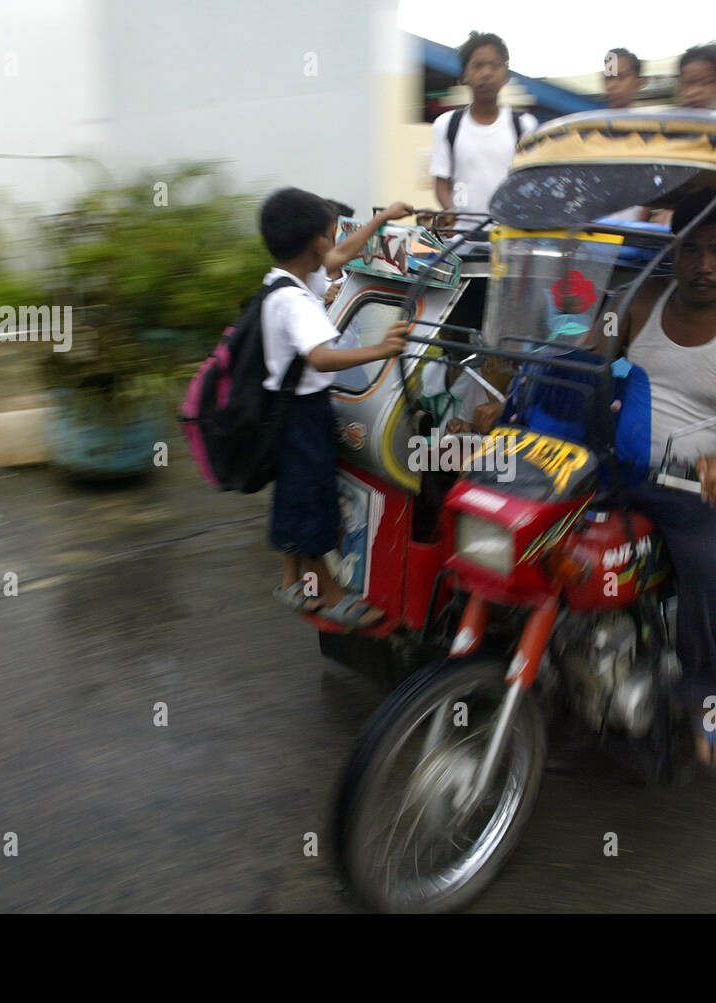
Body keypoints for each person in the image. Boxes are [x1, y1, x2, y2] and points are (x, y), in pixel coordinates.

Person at [602, 207, 716, 767]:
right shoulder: (639, 301)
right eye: (691, 249)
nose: (703, 265)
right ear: (673, 252)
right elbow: (584, 360)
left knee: (709, 577)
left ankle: (712, 697)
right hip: (617, 466)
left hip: (695, 485)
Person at [258, 188, 409, 628]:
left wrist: (382, 221)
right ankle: (329, 591)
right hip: (304, 412)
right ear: (317, 243)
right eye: (331, 233)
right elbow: (322, 357)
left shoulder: (286, 281)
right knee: (313, 499)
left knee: (293, 494)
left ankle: (292, 580)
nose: (336, 242)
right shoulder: (296, 300)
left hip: (285, 409)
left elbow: (343, 253)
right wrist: (381, 349)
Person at [429, 32, 537, 224]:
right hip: (460, 243)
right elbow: (441, 184)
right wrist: (451, 212)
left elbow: (531, 183)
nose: (486, 73)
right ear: (464, 75)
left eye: (495, 65)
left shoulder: (524, 125)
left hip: (508, 240)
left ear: (506, 74)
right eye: (478, 66)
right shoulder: (446, 125)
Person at [311, 199, 415, 307]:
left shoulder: (362, 274)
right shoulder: (309, 276)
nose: (355, 235)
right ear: (334, 229)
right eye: (349, 228)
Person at [676, 45, 716, 110]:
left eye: (707, 82)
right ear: (680, 86)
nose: (696, 91)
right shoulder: (667, 118)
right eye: (689, 82)